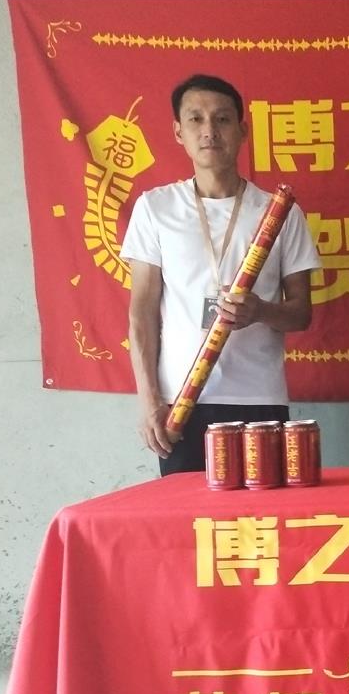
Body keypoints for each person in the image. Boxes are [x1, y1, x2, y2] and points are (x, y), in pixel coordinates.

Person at [123, 74, 321, 475]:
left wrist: (260, 311)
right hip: (182, 402)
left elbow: (301, 313)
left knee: (262, 513)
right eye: (195, 119)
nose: (209, 131)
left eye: (222, 119)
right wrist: (148, 401)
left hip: (259, 400)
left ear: (243, 130)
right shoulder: (155, 208)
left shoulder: (279, 212)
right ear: (178, 132)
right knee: (187, 514)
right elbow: (141, 313)